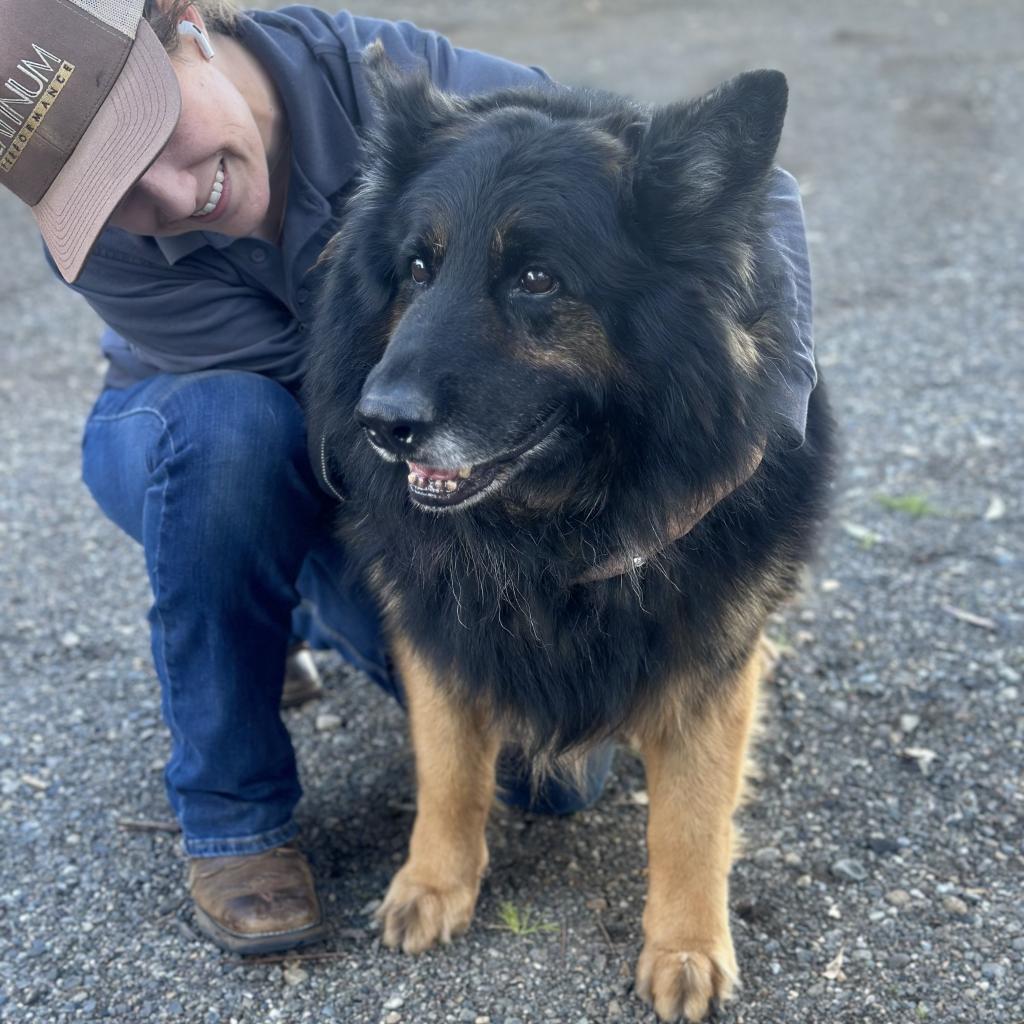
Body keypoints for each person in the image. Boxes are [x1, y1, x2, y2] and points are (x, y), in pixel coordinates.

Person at [0, 0, 817, 955]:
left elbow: (745, 201)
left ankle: (296, 601)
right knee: (239, 445)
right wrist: (459, 587)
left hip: (401, 425)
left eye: (152, 139)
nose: (169, 199)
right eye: (112, 189)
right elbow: (352, 415)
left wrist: (747, 443)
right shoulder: (109, 244)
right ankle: (233, 816)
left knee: (553, 781)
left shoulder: (403, 85)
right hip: (194, 437)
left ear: (185, 22)